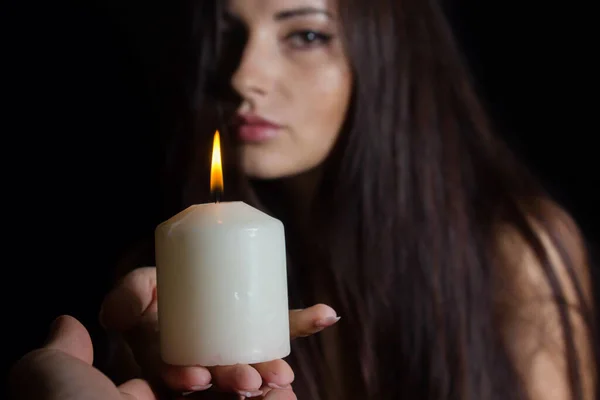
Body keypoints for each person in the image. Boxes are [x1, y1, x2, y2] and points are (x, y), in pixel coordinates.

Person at [8, 0, 598, 399]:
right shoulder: (169, 287)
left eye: (306, 35)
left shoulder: (512, 248)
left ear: (390, 58)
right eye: (228, 35)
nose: (243, 75)